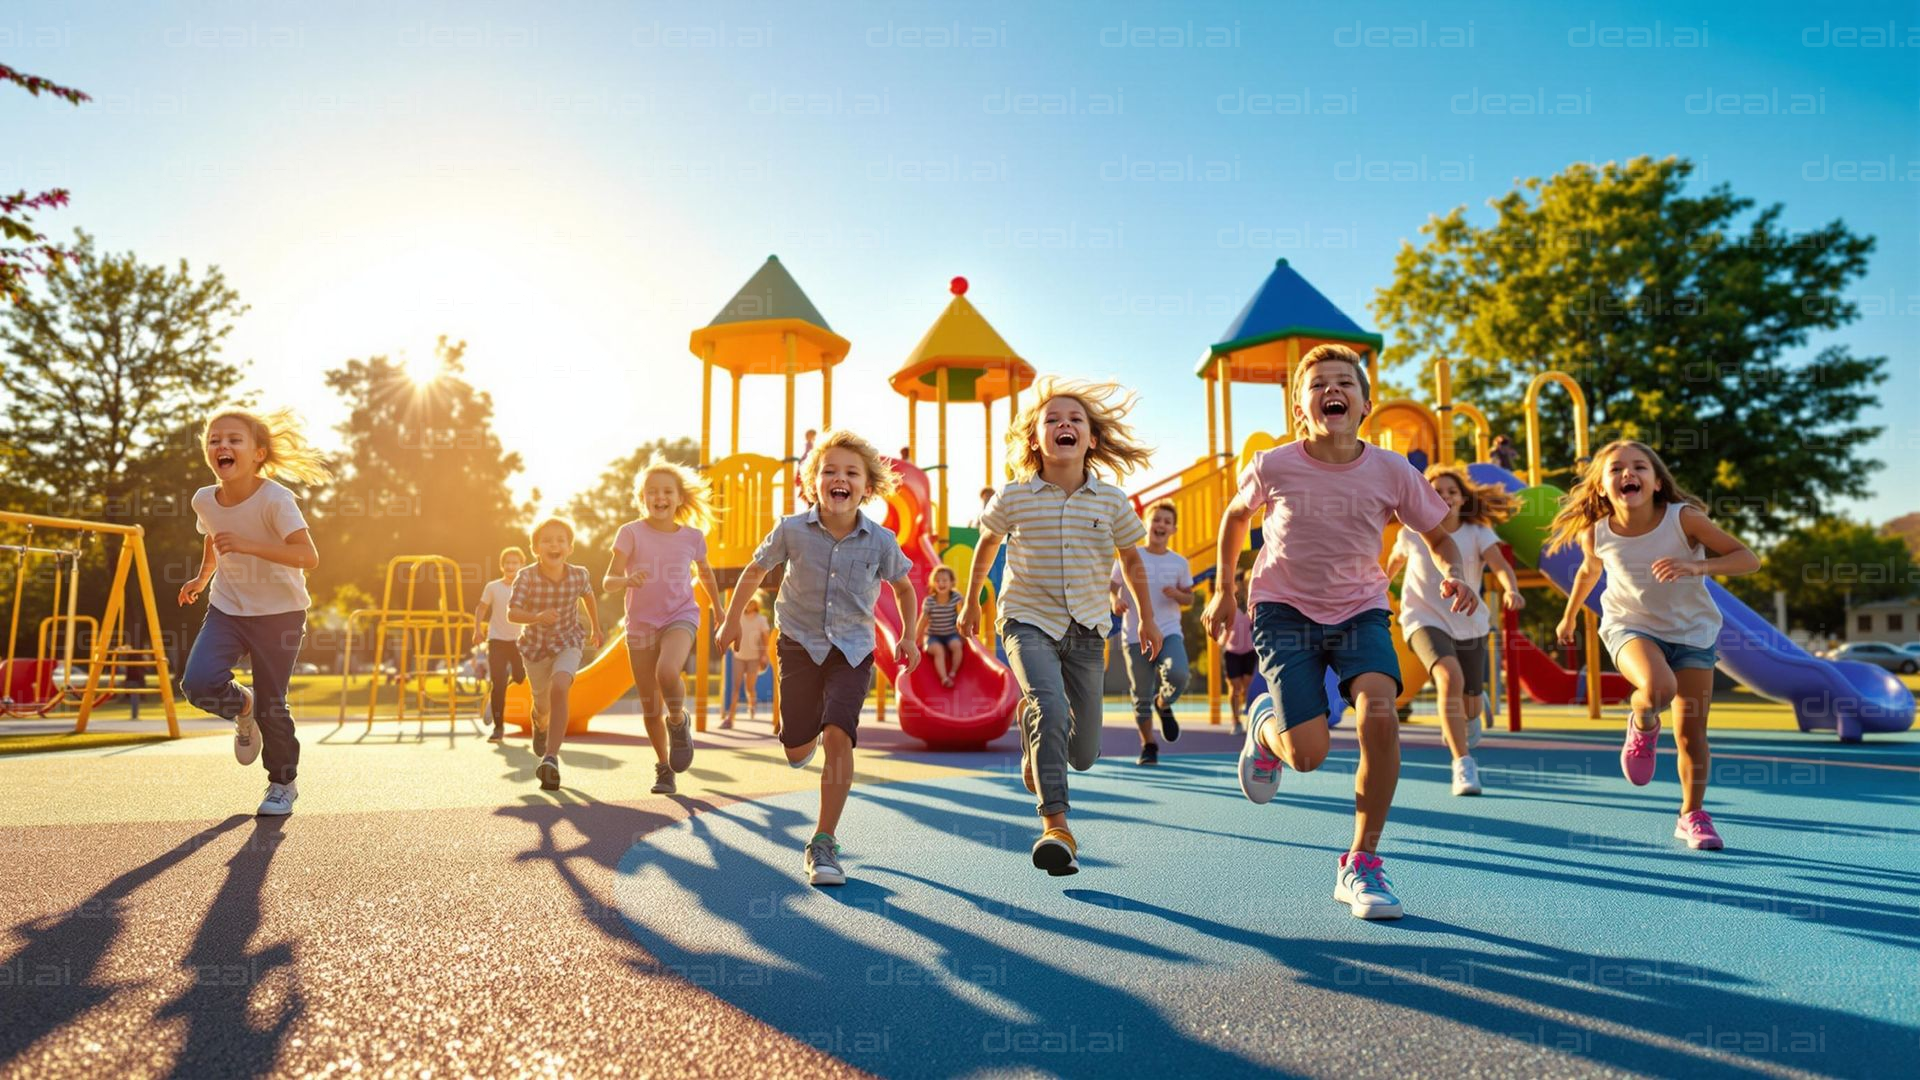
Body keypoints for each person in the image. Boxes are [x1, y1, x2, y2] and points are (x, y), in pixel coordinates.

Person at [1204, 345, 1478, 920]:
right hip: (1283, 610)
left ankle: (1362, 861)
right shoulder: (1274, 464)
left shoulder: (1392, 470)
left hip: (1360, 610)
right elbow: (1234, 517)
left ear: (1364, 404)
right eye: (1318, 383)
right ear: (1301, 410)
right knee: (1308, 755)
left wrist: (1454, 571)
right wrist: (1225, 592)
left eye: (1344, 382)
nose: (1332, 389)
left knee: (1380, 712)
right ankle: (1264, 728)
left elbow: (1440, 534)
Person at [961, 377, 1160, 877]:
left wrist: (1147, 617)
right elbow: (986, 547)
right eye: (1052, 419)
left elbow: (1133, 564)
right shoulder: (1013, 496)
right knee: (1049, 706)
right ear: (1035, 439)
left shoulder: (1112, 501)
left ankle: (1034, 740)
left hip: (1090, 629)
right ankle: (1056, 828)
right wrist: (971, 603)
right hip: (1027, 619)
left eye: (1075, 420)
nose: (1064, 425)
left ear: (1092, 438)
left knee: (1085, 752)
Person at [716, 429, 920, 886]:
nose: (839, 478)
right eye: (829, 470)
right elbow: (755, 570)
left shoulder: (881, 540)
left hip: (852, 649)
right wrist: (731, 621)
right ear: (813, 482)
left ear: (867, 487)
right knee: (796, 746)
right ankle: (798, 741)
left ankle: (824, 840)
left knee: (838, 736)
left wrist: (908, 636)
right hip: (799, 643)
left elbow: (904, 587)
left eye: (851, 472)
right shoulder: (791, 529)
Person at [1547, 440, 1758, 850]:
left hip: (1693, 633)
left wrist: (1698, 565)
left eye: (1640, 467)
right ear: (1602, 488)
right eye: (1616, 469)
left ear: (1658, 482)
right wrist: (1569, 614)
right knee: (1659, 688)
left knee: (1692, 735)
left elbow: (1748, 559)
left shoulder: (1685, 519)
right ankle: (1642, 721)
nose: (1629, 474)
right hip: (1631, 627)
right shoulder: (1598, 532)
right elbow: (1589, 573)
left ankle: (1691, 815)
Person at [178, 407, 332, 816]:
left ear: (258, 453)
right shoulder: (203, 499)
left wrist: (249, 545)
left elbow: (308, 556)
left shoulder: (276, 499)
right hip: (228, 608)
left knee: (273, 703)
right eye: (214, 440)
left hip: (280, 613)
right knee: (197, 683)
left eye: (233, 440)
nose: (222, 446)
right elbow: (214, 538)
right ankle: (240, 707)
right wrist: (202, 578)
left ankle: (282, 784)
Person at [1385, 464, 1524, 796]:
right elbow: (1391, 566)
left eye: (1451, 491)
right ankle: (1462, 763)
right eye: (1436, 491)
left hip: (1470, 622)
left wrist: (1511, 589)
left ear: (1463, 499)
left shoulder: (1477, 533)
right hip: (1422, 619)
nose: (1444, 497)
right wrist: (1379, 589)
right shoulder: (1410, 533)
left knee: (1470, 702)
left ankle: (1476, 705)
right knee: (1449, 677)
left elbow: (1501, 566)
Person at [604, 455, 721, 796]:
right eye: (652, 491)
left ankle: (678, 721)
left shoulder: (693, 537)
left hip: (680, 616)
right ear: (642, 499)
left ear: (679, 498)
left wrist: (721, 610)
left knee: (667, 672)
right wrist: (626, 581)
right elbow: (608, 580)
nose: (660, 497)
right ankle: (664, 768)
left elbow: (706, 573)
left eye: (667, 491)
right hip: (640, 625)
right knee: (649, 705)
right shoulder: (630, 533)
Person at [510, 516, 604, 792]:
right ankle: (539, 722)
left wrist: (596, 628)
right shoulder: (526, 576)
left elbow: (589, 596)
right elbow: (512, 612)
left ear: (570, 548)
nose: (554, 545)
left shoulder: (579, 574)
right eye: (547, 541)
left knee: (561, 686)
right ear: (536, 548)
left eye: (560, 540)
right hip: (535, 648)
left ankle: (551, 758)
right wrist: (537, 617)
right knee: (542, 703)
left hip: (568, 641)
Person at [1109, 499, 1193, 766]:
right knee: (1140, 695)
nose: (1161, 525)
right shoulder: (1131, 555)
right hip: (1135, 635)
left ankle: (1164, 702)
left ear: (1173, 530)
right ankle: (1149, 745)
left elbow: (1189, 599)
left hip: (1169, 632)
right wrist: (1114, 600)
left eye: (1167, 522)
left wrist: (1179, 594)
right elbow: (1111, 586)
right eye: (1156, 519)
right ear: (1146, 523)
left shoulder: (1179, 563)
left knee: (1178, 674)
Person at [1214, 571, 1256, 736]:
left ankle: (1242, 711)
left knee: (1245, 687)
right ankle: (1235, 720)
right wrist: (1222, 637)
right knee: (1234, 687)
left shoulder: (1252, 601)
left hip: (1249, 651)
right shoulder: (1227, 602)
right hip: (1231, 651)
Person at [724, 594, 772, 728]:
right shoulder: (738, 617)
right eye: (747, 602)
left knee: (750, 687)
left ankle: (752, 704)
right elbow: (731, 629)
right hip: (738, 655)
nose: (748, 604)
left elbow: (765, 638)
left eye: (751, 602)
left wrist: (764, 655)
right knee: (736, 686)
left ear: (756, 605)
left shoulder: (761, 620)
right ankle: (730, 718)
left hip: (754, 658)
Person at [920, 566, 967, 688]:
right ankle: (944, 678)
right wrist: (914, 639)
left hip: (951, 634)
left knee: (956, 645)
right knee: (938, 650)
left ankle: (952, 673)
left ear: (952, 583)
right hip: (932, 636)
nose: (941, 583)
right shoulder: (929, 601)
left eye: (945, 580)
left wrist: (965, 635)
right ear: (933, 583)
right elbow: (923, 620)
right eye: (937, 580)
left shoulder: (956, 598)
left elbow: (963, 615)